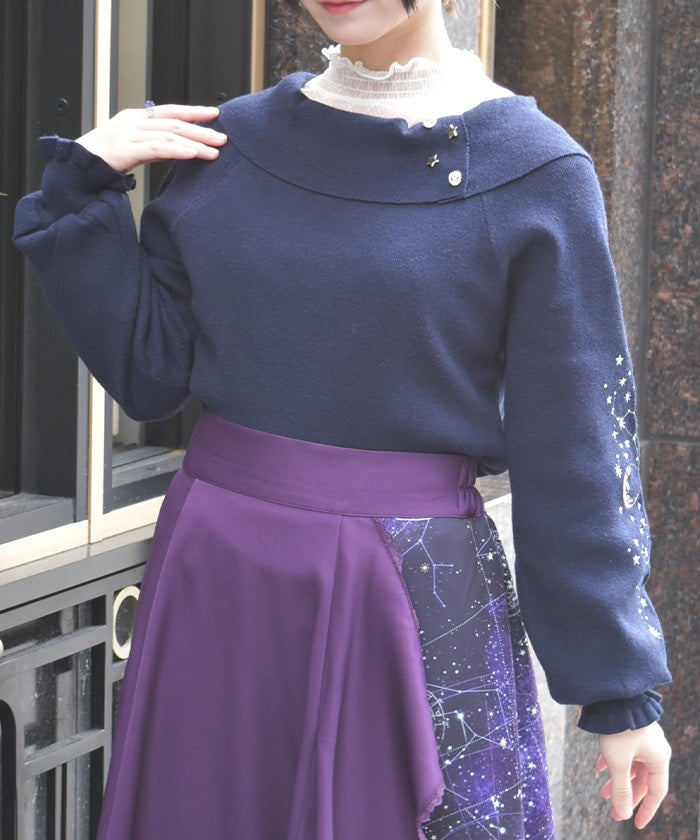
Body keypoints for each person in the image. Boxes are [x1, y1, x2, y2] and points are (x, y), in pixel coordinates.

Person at [13, 0, 672, 837]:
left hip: (408, 591)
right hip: (216, 577)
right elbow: (151, 374)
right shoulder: (234, 143)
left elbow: (576, 445)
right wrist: (82, 186)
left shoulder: (535, 170)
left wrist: (618, 692)